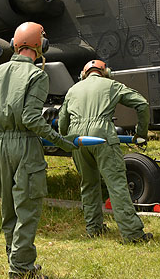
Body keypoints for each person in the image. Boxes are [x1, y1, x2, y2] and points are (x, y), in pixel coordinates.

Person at [0, 22, 77, 279]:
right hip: (25, 145)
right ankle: (21, 270)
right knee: (27, 209)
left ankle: (17, 260)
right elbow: (31, 118)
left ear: (14, 44)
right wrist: (60, 141)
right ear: (39, 46)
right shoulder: (37, 75)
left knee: (8, 209)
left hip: (0, 147)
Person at [58, 59, 153, 243]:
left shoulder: (73, 89)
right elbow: (142, 104)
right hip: (102, 137)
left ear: (84, 74)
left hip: (77, 139)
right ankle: (132, 234)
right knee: (116, 184)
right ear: (106, 72)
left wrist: (69, 138)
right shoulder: (111, 85)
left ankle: (94, 229)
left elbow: (62, 123)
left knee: (88, 184)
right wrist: (141, 134)